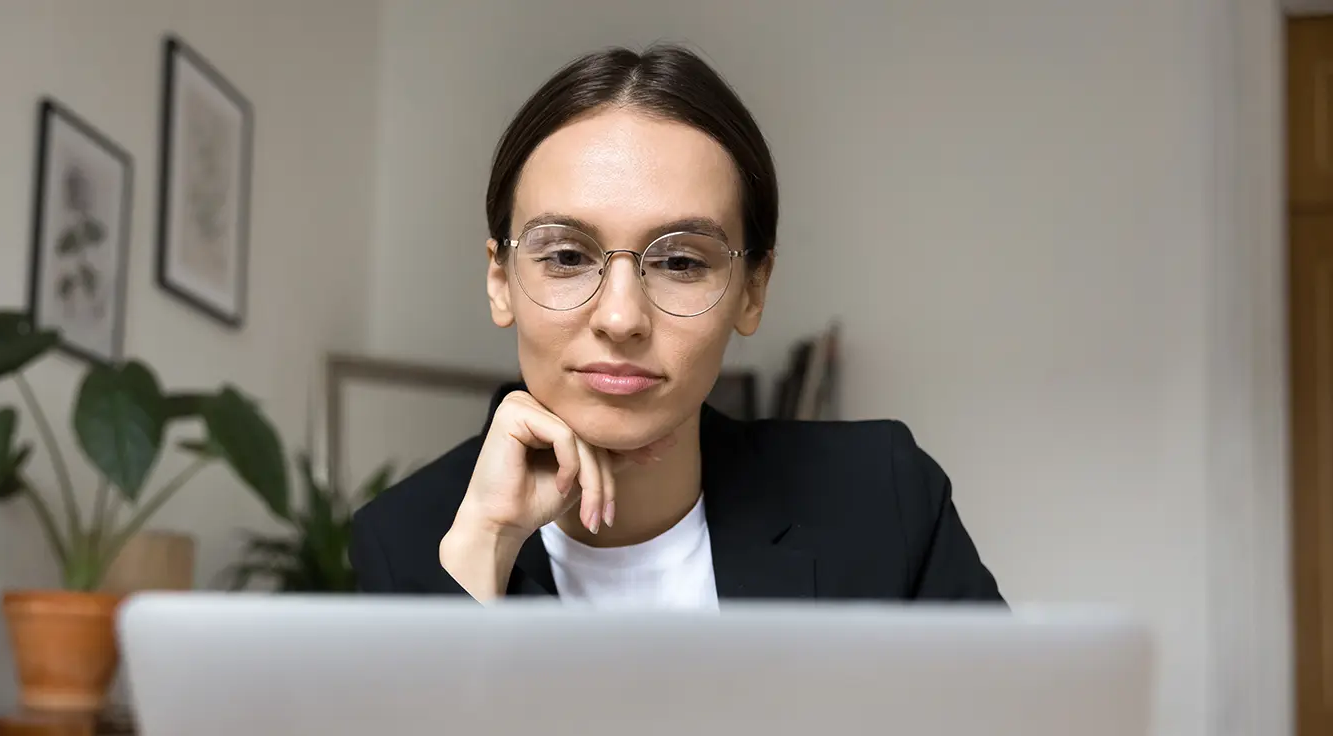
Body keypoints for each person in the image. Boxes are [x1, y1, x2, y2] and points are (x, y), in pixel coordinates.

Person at [350, 44, 1002, 606]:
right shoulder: (405, 540)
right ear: (500, 280)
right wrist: (485, 544)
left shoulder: (883, 497)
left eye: (682, 260)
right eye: (569, 257)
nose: (620, 317)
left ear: (753, 289)